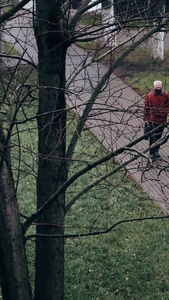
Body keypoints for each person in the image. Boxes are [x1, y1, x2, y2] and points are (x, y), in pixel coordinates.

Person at [143, 80, 169, 160]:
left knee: (159, 136)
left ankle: (156, 150)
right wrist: (145, 118)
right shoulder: (149, 96)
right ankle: (151, 152)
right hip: (152, 119)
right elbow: (146, 107)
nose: (158, 88)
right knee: (152, 136)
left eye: (159, 87)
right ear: (154, 87)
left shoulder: (166, 95)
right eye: (157, 87)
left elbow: (168, 105)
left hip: (162, 120)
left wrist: (164, 112)